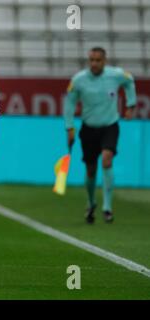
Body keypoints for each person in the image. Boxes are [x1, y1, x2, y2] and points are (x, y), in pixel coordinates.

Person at [63, 47, 136, 224]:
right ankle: (91, 202)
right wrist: (70, 128)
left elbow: (129, 81)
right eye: (92, 60)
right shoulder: (79, 80)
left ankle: (107, 207)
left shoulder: (116, 75)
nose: (94, 63)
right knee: (90, 170)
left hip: (110, 126)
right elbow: (70, 103)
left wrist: (131, 104)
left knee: (107, 159)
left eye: (98, 60)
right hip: (88, 128)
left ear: (104, 61)